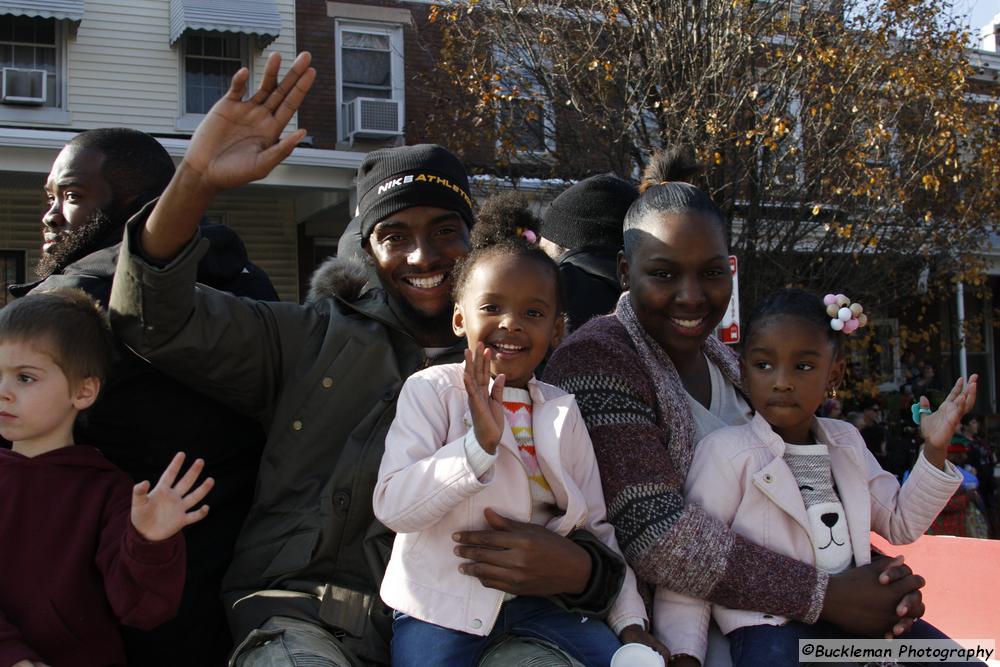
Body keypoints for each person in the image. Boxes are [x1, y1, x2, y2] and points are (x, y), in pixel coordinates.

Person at [109, 52, 630, 666]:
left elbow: (589, 520)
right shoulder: (309, 339)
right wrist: (194, 176)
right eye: (395, 236)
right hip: (313, 619)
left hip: (488, 624)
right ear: (365, 249)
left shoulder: (533, 358)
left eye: (445, 231)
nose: (422, 256)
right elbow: (154, 318)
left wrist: (581, 572)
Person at [543, 147, 928, 665]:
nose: (692, 296)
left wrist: (879, 585)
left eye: (710, 273)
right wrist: (830, 595)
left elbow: (787, 506)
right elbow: (658, 537)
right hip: (682, 632)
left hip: (791, 614)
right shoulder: (598, 357)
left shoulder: (727, 359)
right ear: (623, 270)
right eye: (663, 274)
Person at [7, 127, 278, 665]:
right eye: (50, 199)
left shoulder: (74, 303)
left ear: (135, 206)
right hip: (232, 601)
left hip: (100, 613)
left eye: (71, 195)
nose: (51, 215)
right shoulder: (254, 291)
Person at [374, 200, 664, 666]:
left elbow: (596, 526)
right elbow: (393, 505)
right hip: (440, 606)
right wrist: (476, 449)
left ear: (556, 331)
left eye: (533, 313)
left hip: (544, 603)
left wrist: (631, 622)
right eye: (492, 307)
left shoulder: (561, 410)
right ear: (459, 319)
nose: (510, 323)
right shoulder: (432, 392)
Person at [654, 288, 975, 667]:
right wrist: (684, 653)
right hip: (772, 629)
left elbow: (901, 522)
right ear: (743, 370)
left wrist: (934, 450)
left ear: (833, 373)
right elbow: (692, 561)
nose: (782, 381)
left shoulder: (847, 443)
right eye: (763, 365)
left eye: (803, 367)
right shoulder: (727, 454)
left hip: (856, 619)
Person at [0, 288, 213, 666]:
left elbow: (142, 610)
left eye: (25, 378)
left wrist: (150, 541)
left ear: (83, 391)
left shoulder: (110, 493)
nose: (3, 393)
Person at [539, 174, 639, 333]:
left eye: (543, 251)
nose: (539, 261)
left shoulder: (548, 292)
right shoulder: (658, 299)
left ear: (562, 246)